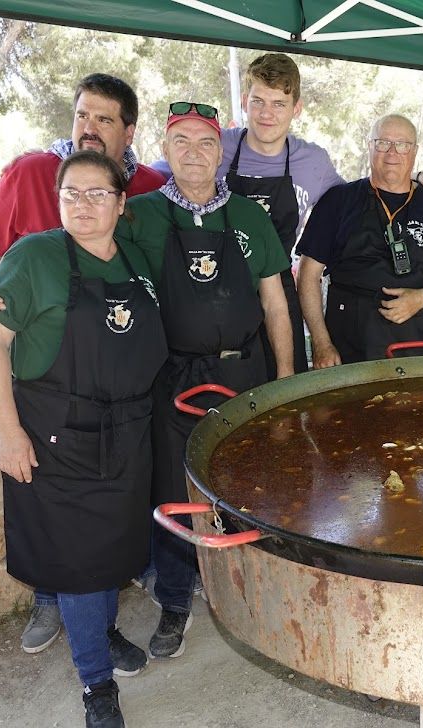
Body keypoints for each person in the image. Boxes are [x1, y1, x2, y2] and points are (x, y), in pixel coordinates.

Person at [0, 73, 165, 660]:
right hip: (56, 441)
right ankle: (94, 684)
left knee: (107, 555)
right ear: (56, 199)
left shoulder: (138, 256)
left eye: (98, 194)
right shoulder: (33, 256)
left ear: (123, 201)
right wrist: (8, 433)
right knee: (77, 562)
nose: (84, 204)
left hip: (126, 441)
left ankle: (101, 634)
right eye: (71, 194)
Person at [117, 102, 292, 660]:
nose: (195, 153)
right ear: (165, 151)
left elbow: (274, 300)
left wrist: (286, 376)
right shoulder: (138, 214)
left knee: (253, 485)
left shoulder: (248, 215)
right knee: (175, 490)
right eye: (182, 142)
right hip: (172, 376)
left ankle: (257, 592)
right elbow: (84, 249)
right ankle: (174, 602)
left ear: (222, 151)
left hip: (245, 372)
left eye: (206, 143)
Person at [156, 53, 423, 374]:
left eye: (279, 104)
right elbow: (161, 174)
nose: (267, 114)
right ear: (244, 102)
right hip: (212, 285)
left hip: (277, 286)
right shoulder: (216, 145)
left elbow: (364, 194)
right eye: (258, 101)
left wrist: (417, 178)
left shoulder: (313, 162)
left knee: (285, 385)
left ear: (296, 108)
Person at [297, 114, 423, 366]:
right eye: (382, 143)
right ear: (369, 146)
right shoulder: (338, 200)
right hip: (347, 348)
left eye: (402, 145)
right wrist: (321, 343)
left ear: (414, 152)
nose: (392, 152)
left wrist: (422, 298)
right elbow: (308, 274)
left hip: (417, 347)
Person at [0, 73, 165, 284]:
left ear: (129, 134)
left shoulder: (153, 188)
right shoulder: (28, 172)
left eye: (103, 120)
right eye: (82, 116)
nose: (89, 129)